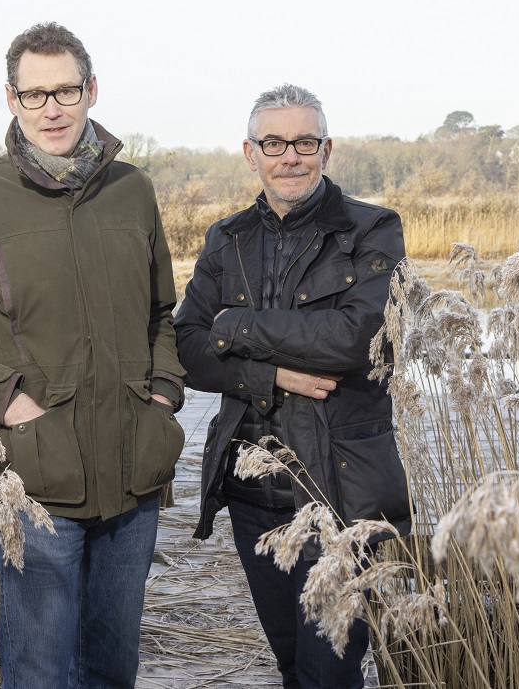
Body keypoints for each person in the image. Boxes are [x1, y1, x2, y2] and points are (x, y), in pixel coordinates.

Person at [0, 22, 186, 689]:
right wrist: (10, 401)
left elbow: (161, 314)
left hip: (134, 477)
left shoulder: (133, 190)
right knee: (38, 672)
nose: (52, 108)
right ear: (11, 100)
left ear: (91, 89)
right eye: (35, 95)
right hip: (36, 482)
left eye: (64, 89)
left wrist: (163, 397)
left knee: (112, 669)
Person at [174, 84, 410, 689]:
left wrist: (238, 326)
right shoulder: (226, 239)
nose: (290, 156)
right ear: (250, 153)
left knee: (330, 675)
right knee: (291, 669)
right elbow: (191, 352)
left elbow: (356, 339)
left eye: (304, 141)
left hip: (343, 496)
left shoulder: (372, 229)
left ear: (326, 148)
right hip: (255, 500)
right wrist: (271, 373)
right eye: (273, 142)